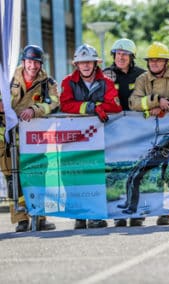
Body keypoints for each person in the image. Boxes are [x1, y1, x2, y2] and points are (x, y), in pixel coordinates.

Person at [60, 44, 122, 229]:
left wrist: (98, 107)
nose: (85, 66)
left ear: (95, 64)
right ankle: (79, 216)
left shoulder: (107, 83)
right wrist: (91, 107)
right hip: (74, 140)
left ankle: (95, 215)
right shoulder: (68, 82)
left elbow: (116, 106)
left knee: (96, 176)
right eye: (81, 63)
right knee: (74, 176)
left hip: (98, 139)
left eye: (89, 62)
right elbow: (65, 105)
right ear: (76, 65)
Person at [129, 42, 169, 225]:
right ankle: (142, 211)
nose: (154, 63)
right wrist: (155, 102)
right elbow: (133, 102)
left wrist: (167, 105)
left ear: (166, 62)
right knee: (149, 173)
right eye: (151, 60)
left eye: (158, 60)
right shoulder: (142, 80)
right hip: (151, 134)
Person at [0, 45, 59, 232]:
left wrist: (34, 109)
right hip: (8, 137)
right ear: (23, 61)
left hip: (34, 139)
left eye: (36, 62)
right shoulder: (7, 77)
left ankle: (40, 217)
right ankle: (21, 219)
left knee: (37, 175)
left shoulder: (47, 82)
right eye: (30, 61)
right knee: (12, 178)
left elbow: (54, 102)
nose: (33, 66)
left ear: (41, 64)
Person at [103, 38, 146, 227]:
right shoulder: (105, 75)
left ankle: (137, 212)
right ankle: (118, 214)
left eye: (125, 54)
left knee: (139, 172)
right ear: (113, 55)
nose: (121, 57)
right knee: (117, 172)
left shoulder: (141, 75)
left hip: (138, 132)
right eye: (118, 54)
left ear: (132, 57)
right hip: (114, 133)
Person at [118, 125, 169, 215]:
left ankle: (132, 208)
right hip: (153, 155)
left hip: (156, 157)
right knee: (131, 175)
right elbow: (166, 144)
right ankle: (127, 203)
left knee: (135, 179)